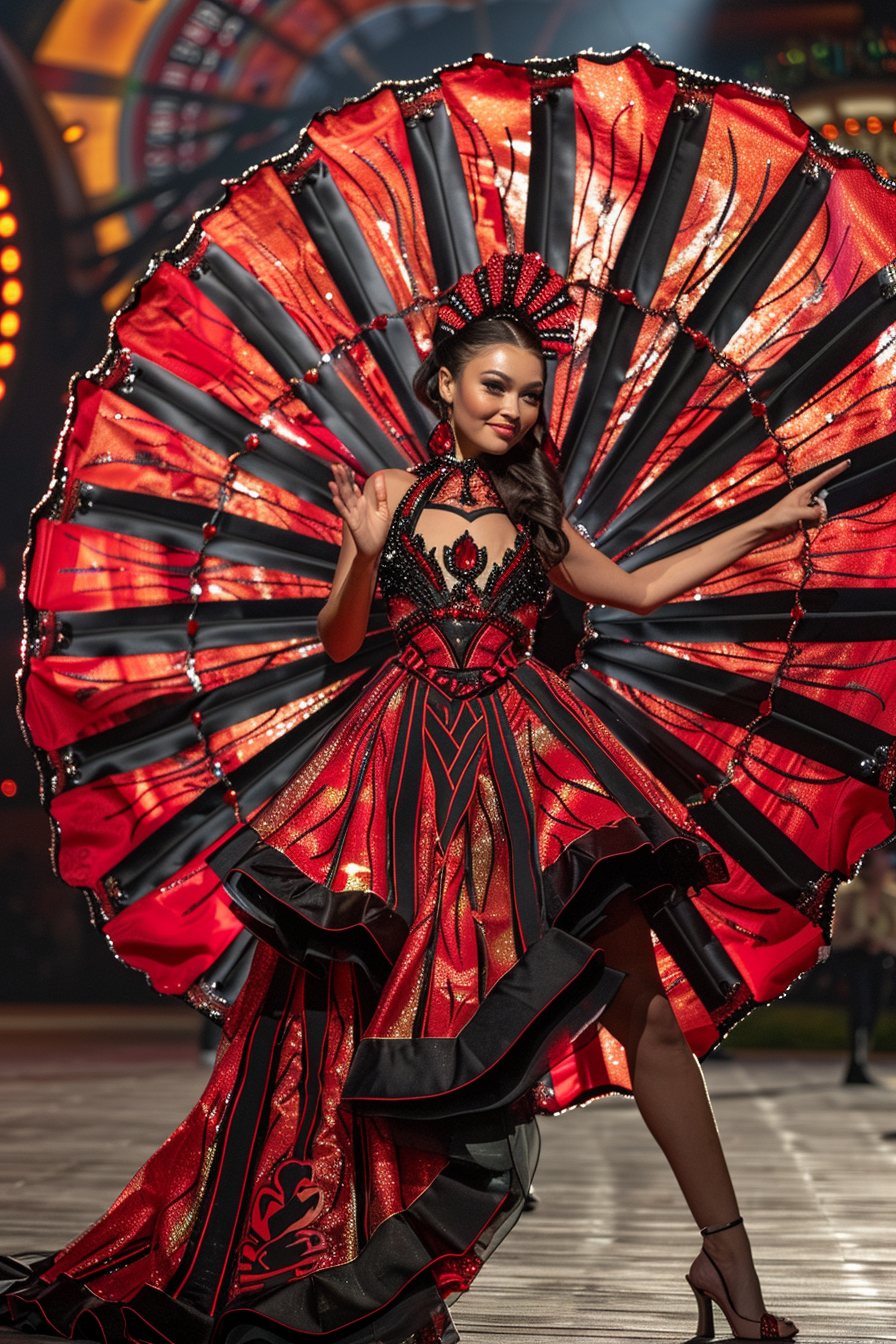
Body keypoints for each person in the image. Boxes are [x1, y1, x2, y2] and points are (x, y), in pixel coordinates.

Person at [0, 254, 843, 1344]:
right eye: (492, 386)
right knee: (368, 1024)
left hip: (531, 777)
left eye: (530, 393)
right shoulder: (390, 497)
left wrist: (763, 523)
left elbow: (636, 589)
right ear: (441, 386)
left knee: (642, 1011)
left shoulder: (537, 521)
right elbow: (338, 644)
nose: (513, 407)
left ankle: (728, 1261)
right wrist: (358, 556)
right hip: (395, 785)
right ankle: (371, 1267)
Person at [831, 848, 896, 1084]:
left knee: (872, 1013)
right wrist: (858, 936)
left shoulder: (891, 897)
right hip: (854, 960)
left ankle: (861, 1061)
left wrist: (882, 942)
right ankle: (855, 1065)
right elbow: (835, 937)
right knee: (861, 1009)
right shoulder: (849, 894)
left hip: (881, 961)